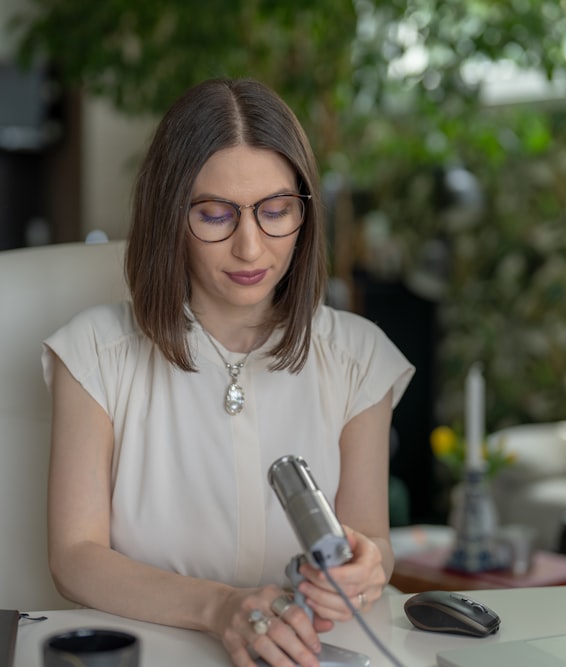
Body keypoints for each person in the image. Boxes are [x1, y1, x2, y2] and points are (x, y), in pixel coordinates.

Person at [42, 77, 414, 667]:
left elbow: (374, 540)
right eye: (215, 215)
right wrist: (221, 608)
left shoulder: (358, 357)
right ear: (169, 217)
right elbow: (74, 557)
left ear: (304, 212)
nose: (250, 248)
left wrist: (368, 568)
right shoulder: (95, 352)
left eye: (276, 212)